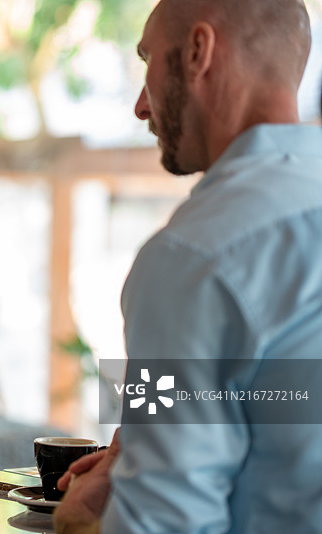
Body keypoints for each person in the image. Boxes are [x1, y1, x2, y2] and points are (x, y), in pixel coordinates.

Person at [55, 0, 322, 532]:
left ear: (199, 51)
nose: (140, 106)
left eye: (147, 60)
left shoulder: (192, 257)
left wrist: (81, 519)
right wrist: (144, 446)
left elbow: (164, 523)